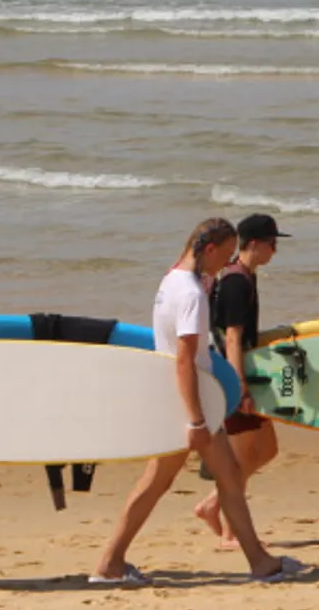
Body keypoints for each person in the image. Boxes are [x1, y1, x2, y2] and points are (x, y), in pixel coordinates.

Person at [92, 218, 301, 585]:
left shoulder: (172, 279)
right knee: (198, 480)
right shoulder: (189, 294)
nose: (227, 263)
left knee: (199, 480)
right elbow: (186, 359)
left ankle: (112, 564)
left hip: (178, 399)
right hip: (192, 402)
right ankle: (259, 563)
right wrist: (196, 420)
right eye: (224, 254)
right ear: (208, 249)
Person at [194, 213, 289, 545]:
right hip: (231, 378)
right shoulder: (236, 282)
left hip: (239, 374)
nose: (274, 251)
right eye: (272, 244)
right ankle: (229, 528)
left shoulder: (245, 276)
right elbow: (232, 338)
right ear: (254, 244)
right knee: (244, 455)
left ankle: (214, 505)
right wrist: (240, 389)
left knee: (265, 449)